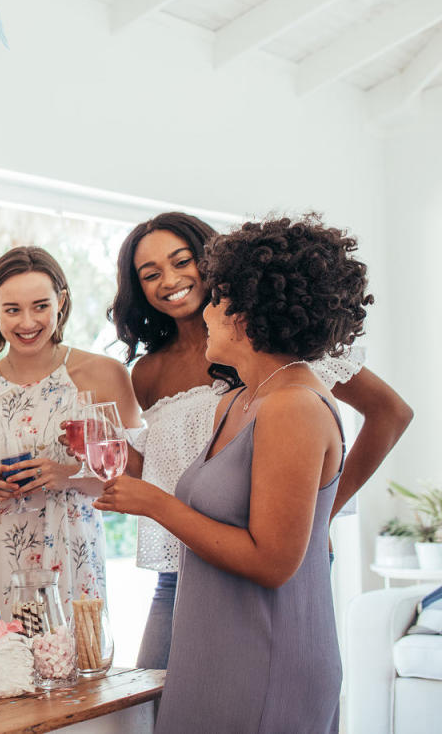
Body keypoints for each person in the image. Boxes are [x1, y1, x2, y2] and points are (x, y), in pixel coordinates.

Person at [96, 215, 382, 731]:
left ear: (249, 315)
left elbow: (272, 562)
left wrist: (156, 504)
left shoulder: (292, 405)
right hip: (212, 636)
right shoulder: (241, 399)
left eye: (217, 298)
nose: (204, 309)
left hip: (266, 652)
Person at [0, 246, 143, 612]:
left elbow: (136, 476)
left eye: (40, 306)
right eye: (12, 310)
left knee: (79, 662)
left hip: (74, 554)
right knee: (3, 662)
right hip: (1, 559)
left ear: (61, 302)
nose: (27, 322)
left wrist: (67, 476)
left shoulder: (105, 374)